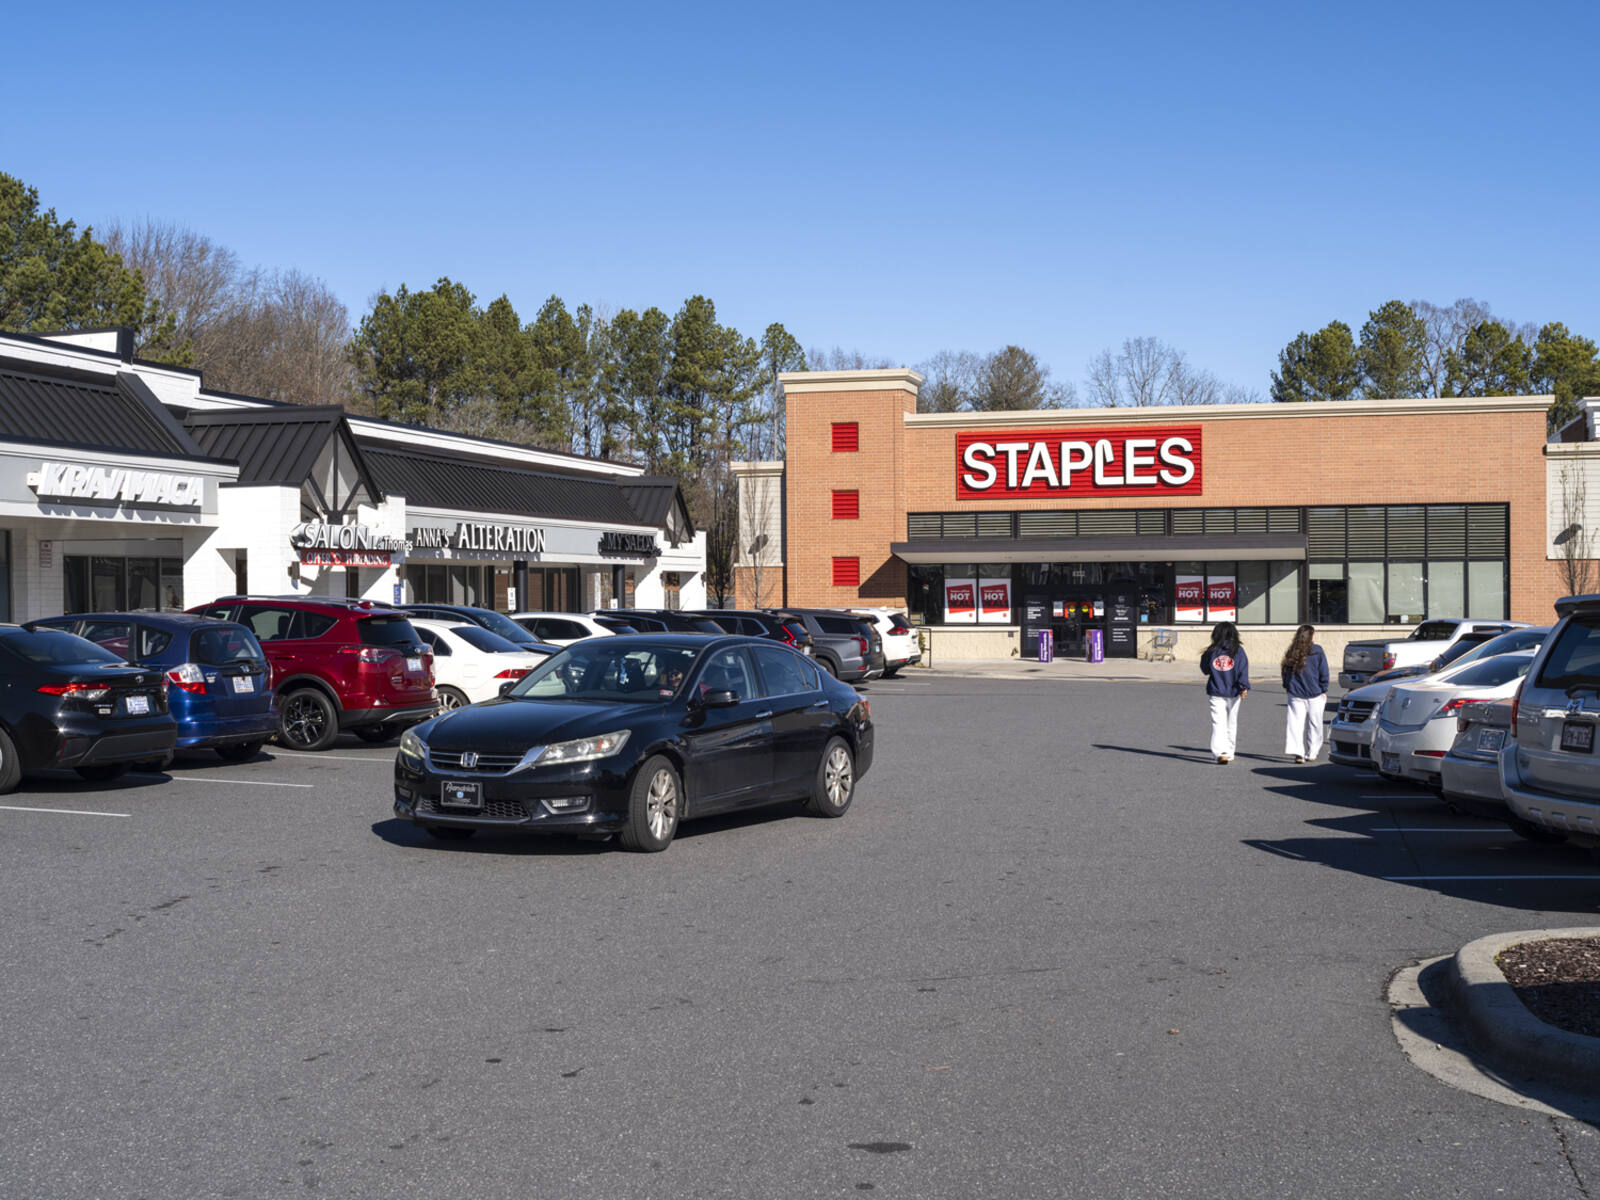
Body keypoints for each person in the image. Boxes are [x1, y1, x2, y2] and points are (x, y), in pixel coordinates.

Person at [1200, 621, 1250, 764]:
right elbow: (1243, 669)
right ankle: (1229, 752)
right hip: (1234, 691)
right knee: (1231, 722)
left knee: (1218, 722)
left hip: (1216, 690)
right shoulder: (1238, 650)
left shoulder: (1211, 650)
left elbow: (1205, 669)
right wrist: (1244, 686)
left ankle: (1219, 752)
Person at [1280, 624, 1329, 763]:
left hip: (1295, 693)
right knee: (1315, 724)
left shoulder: (1292, 651)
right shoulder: (1317, 651)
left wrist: (1287, 686)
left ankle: (1298, 753)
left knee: (1295, 723)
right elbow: (1323, 672)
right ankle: (1312, 752)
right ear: (1311, 636)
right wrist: (1323, 688)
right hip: (1315, 692)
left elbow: (1285, 671)